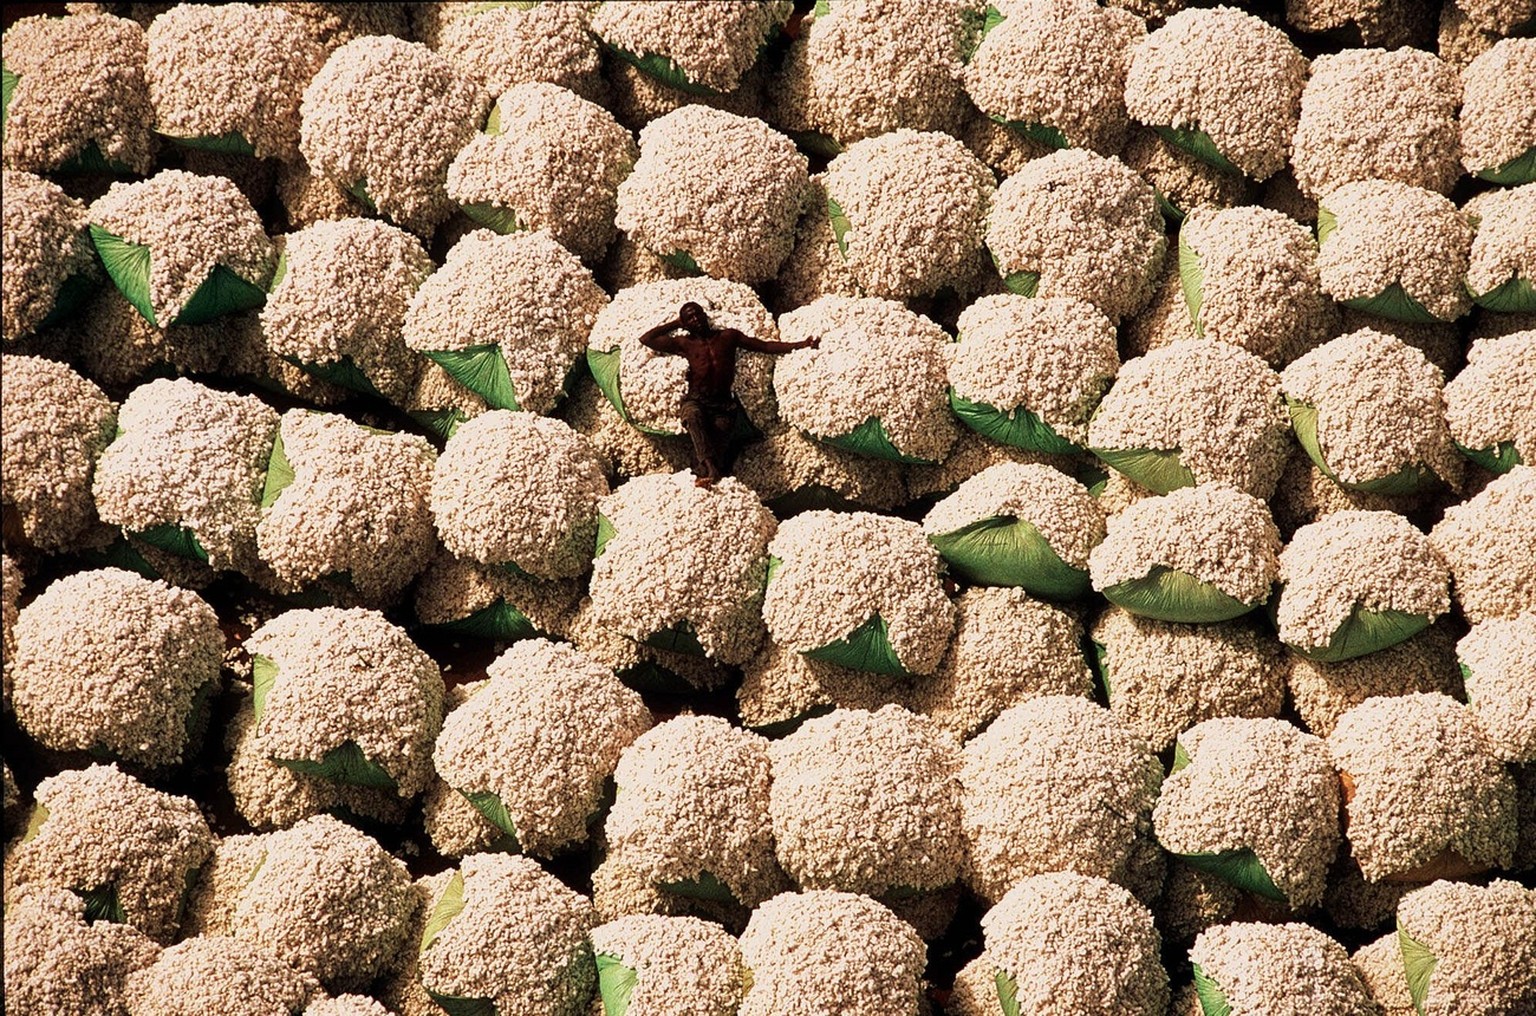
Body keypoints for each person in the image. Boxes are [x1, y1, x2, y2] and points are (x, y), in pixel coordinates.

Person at [638, 301, 819, 486]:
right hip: (697, 400)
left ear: (705, 315)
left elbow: (765, 346)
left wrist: (802, 344)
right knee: (693, 416)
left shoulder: (728, 337)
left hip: (723, 405)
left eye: (698, 314)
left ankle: (703, 476)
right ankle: (711, 470)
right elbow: (646, 339)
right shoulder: (685, 344)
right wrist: (676, 323)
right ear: (686, 324)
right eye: (690, 318)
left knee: (717, 448)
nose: (696, 319)